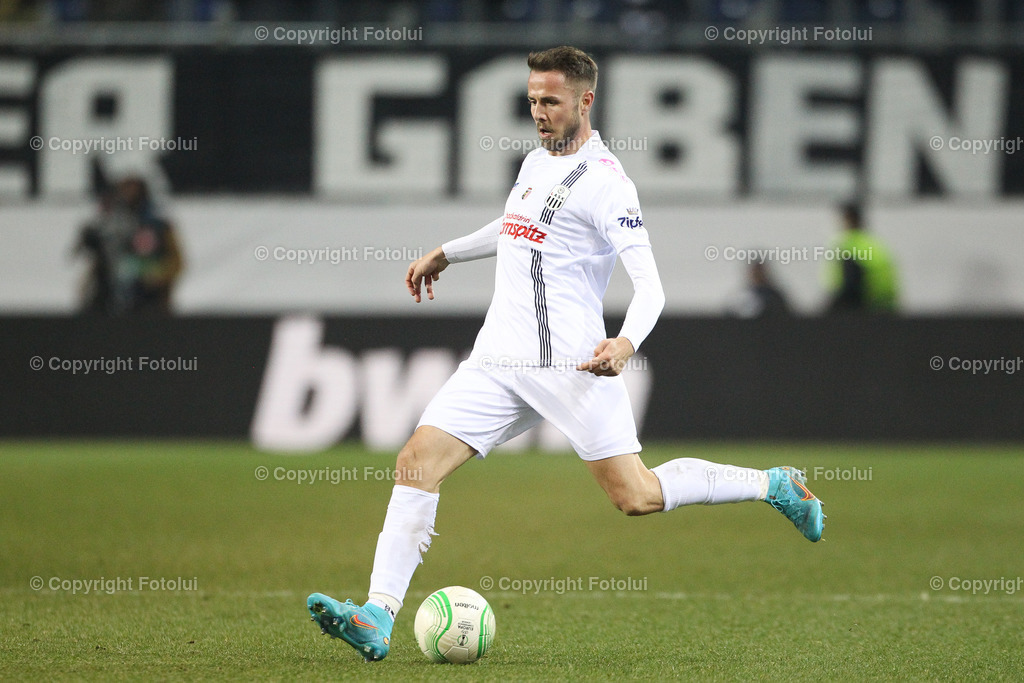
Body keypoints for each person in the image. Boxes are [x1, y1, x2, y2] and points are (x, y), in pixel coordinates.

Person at [307, 46, 825, 662]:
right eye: (531, 100)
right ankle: (377, 615)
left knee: (636, 495)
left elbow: (652, 286)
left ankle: (773, 484)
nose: (538, 112)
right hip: (498, 358)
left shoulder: (608, 185)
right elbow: (514, 226)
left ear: (585, 101)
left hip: (570, 364)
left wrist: (625, 342)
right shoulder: (535, 161)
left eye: (550, 101)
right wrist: (447, 252)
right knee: (416, 462)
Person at [75, 175, 184, 315]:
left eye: (132, 189)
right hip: (109, 300)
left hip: (148, 299)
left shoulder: (158, 226)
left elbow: (176, 262)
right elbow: (102, 262)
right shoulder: (108, 225)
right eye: (124, 190)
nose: (128, 194)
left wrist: (155, 273)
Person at [827, 203, 898, 312]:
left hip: (867, 309)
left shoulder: (849, 246)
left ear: (847, 220)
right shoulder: (875, 244)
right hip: (888, 306)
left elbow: (850, 287)